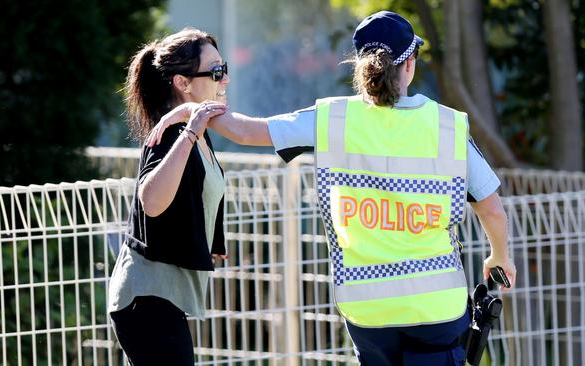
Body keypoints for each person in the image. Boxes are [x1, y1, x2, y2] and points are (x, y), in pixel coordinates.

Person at [149, 10, 517, 366]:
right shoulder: (447, 128)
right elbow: (491, 209)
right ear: (409, 64)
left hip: (368, 310)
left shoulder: (333, 120)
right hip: (437, 311)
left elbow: (246, 130)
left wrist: (191, 110)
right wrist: (498, 256)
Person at [107, 28, 230, 365]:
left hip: (162, 297)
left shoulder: (194, 128)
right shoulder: (173, 135)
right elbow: (152, 201)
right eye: (216, 72)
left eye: (225, 69)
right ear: (182, 83)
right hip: (146, 298)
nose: (225, 80)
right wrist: (190, 129)